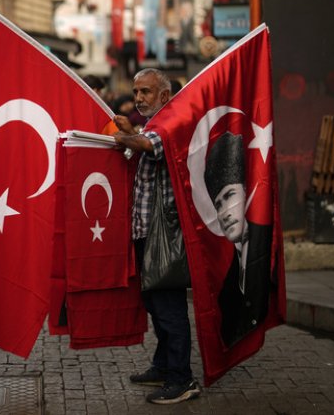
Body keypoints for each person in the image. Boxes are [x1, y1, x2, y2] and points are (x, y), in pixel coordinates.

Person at [112, 68, 201, 405]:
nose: (138, 98)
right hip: (146, 233)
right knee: (155, 304)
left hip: (164, 237)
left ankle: (183, 379)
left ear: (164, 95)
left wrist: (125, 137)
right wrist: (132, 132)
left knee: (170, 308)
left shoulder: (171, 121)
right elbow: (145, 141)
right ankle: (164, 367)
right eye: (136, 91)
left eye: (146, 92)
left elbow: (149, 145)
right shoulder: (153, 123)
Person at [204, 131, 272, 348]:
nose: (224, 211)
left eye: (230, 196)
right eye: (218, 204)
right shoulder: (226, 289)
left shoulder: (270, 253)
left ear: (246, 193)